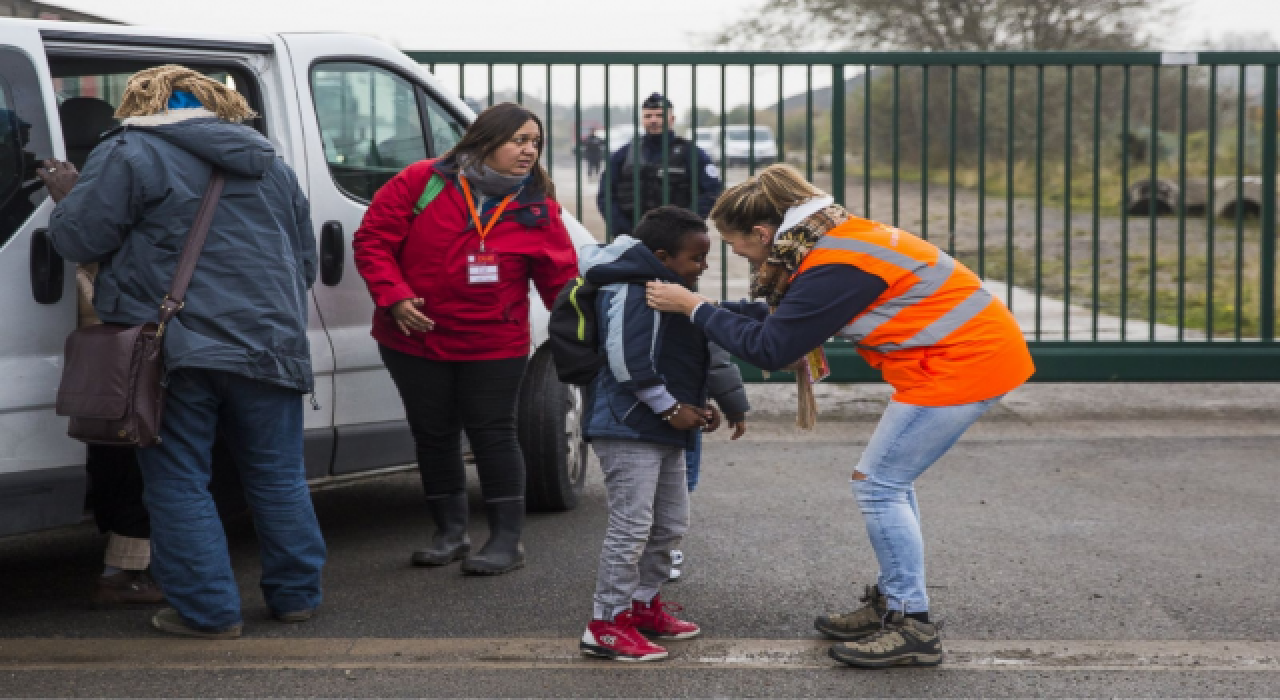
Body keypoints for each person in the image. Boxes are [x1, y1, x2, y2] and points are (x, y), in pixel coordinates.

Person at [645, 165, 1034, 669]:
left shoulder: (833, 262)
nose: (737, 254)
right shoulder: (833, 240)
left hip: (962, 366)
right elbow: (791, 318)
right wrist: (715, 308)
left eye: (736, 244)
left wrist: (696, 307)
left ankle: (912, 624)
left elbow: (773, 346)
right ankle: (894, 603)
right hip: (955, 361)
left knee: (878, 486)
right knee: (889, 483)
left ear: (764, 234)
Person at [43, 65, 326, 640]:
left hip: (175, 350)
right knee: (278, 477)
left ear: (138, 104)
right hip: (270, 344)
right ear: (215, 103)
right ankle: (296, 598)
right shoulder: (268, 160)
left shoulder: (128, 152)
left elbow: (78, 240)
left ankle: (207, 612)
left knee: (177, 481)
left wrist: (68, 200)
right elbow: (305, 263)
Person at [353, 102, 577, 576]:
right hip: (415, 337)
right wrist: (394, 298)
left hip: (493, 342)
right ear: (485, 141)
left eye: (535, 142)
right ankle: (449, 534)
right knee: (433, 434)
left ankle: (506, 542)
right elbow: (372, 240)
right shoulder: (423, 180)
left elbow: (560, 279)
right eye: (519, 140)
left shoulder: (537, 205)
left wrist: (578, 331)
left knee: (494, 434)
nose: (528, 150)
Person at [577, 206, 724, 663]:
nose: (703, 268)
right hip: (627, 425)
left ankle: (642, 606)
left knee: (668, 524)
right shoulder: (629, 287)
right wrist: (670, 406)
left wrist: (696, 406)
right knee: (631, 527)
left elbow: (681, 354)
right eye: (695, 259)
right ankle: (606, 623)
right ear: (661, 255)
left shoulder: (669, 288)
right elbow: (625, 360)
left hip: (662, 425)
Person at [668, 343, 749, 583]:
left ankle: (659, 553)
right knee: (676, 486)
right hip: (681, 409)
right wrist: (736, 410)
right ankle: (659, 554)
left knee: (661, 487)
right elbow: (716, 363)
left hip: (658, 402)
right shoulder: (693, 306)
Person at [596, 93, 722, 237]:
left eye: (659, 115)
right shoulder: (623, 154)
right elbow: (605, 195)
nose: (654, 120)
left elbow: (712, 192)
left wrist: (685, 227)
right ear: (642, 120)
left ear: (672, 119)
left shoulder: (691, 153)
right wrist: (622, 229)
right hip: (630, 236)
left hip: (677, 238)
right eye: (648, 116)